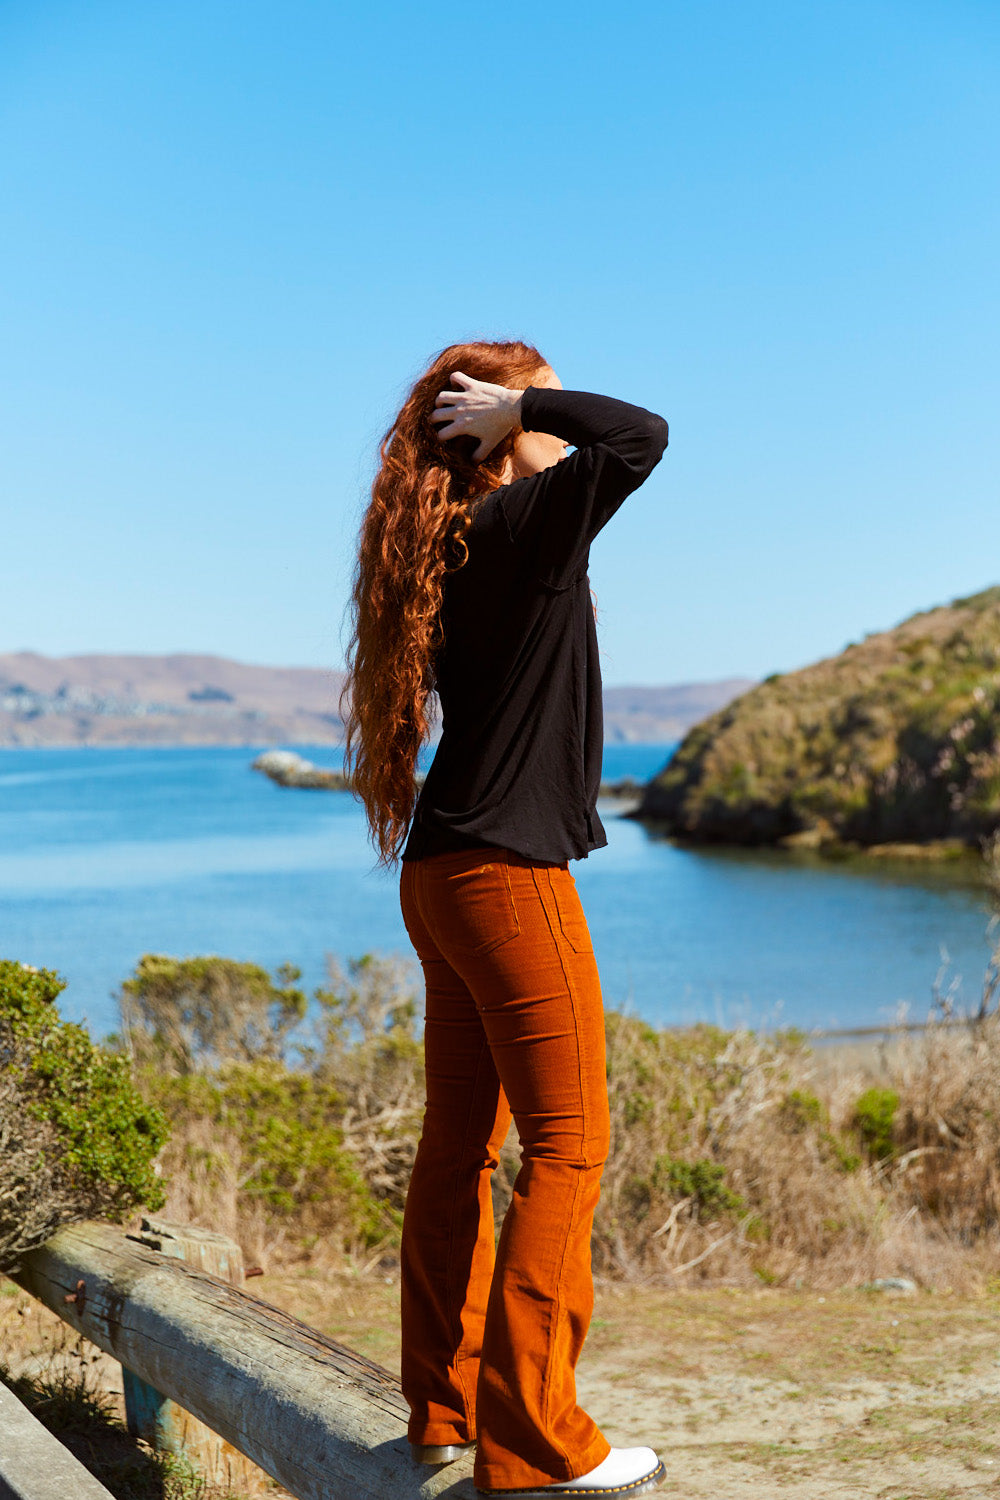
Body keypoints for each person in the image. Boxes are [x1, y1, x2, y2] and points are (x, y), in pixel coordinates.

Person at [343, 339, 668, 1498]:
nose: (554, 420)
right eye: (534, 399)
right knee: (569, 1144)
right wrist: (526, 403)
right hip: (507, 876)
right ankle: (536, 1441)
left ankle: (442, 1406)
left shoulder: (445, 542)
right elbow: (639, 434)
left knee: (460, 1145)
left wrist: (517, 408)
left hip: (442, 872)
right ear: (486, 424)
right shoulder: (526, 520)